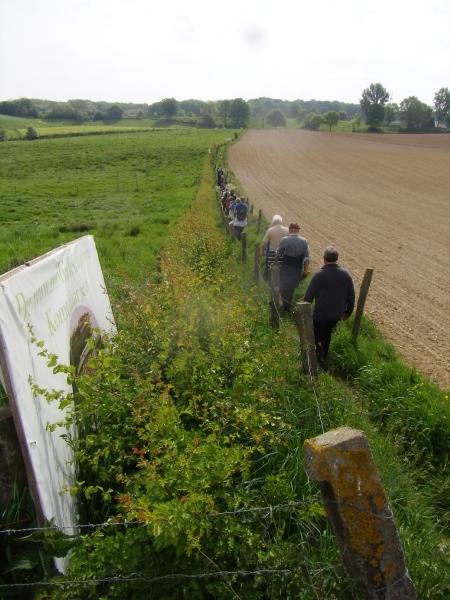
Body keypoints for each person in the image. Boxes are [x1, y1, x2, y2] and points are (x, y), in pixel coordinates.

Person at [303, 245, 355, 372]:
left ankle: (321, 362)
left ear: (324, 258)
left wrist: (304, 311)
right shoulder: (345, 274)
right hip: (336, 315)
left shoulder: (319, 275)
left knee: (318, 337)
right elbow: (351, 295)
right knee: (327, 334)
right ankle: (323, 358)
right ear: (336, 259)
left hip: (320, 314)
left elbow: (308, 297)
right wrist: (348, 311)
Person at [274, 222, 310, 312]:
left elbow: (278, 254)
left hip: (286, 267)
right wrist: (305, 270)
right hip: (297, 268)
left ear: (290, 230)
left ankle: (285, 304)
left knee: (284, 285)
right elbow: (306, 257)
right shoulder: (304, 241)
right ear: (298, 230)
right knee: (292, 287)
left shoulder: (284, 240)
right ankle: (287, 305)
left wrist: (275, 263)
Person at [261, 215, 289, 281]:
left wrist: (263, 251)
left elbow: (264, 244)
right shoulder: (287, 230)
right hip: (283, 255)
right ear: (281, 222)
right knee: (281, 270)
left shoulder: (270, 230)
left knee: (271, 269)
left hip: (272, 254)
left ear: (273, 222)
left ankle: (270, 285)